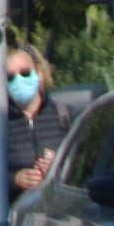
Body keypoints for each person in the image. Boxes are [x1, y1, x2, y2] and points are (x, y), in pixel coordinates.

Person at [6, 44, 72, 198]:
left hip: (59, 214)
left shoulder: (65, 116)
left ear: (40, 73)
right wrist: (14, 180)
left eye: (24, 73)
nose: (18, 80)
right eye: (10, 77)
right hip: (18, 214)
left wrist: (59, 164)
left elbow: (86, 168)